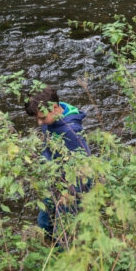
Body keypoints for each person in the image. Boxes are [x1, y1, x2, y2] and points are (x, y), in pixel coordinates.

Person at [24, 85, 91, 240]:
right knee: (44, 221)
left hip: (72, 187)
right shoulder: (51, 120)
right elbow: (49, 149)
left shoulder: (70, 131)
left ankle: (63, 250)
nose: (39, 123)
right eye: (36, 118)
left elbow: (84, 164)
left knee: (64, 228)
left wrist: (71, 192)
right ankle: (48, 245)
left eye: (42, 118)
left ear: (54, 108)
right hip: (54, 180)